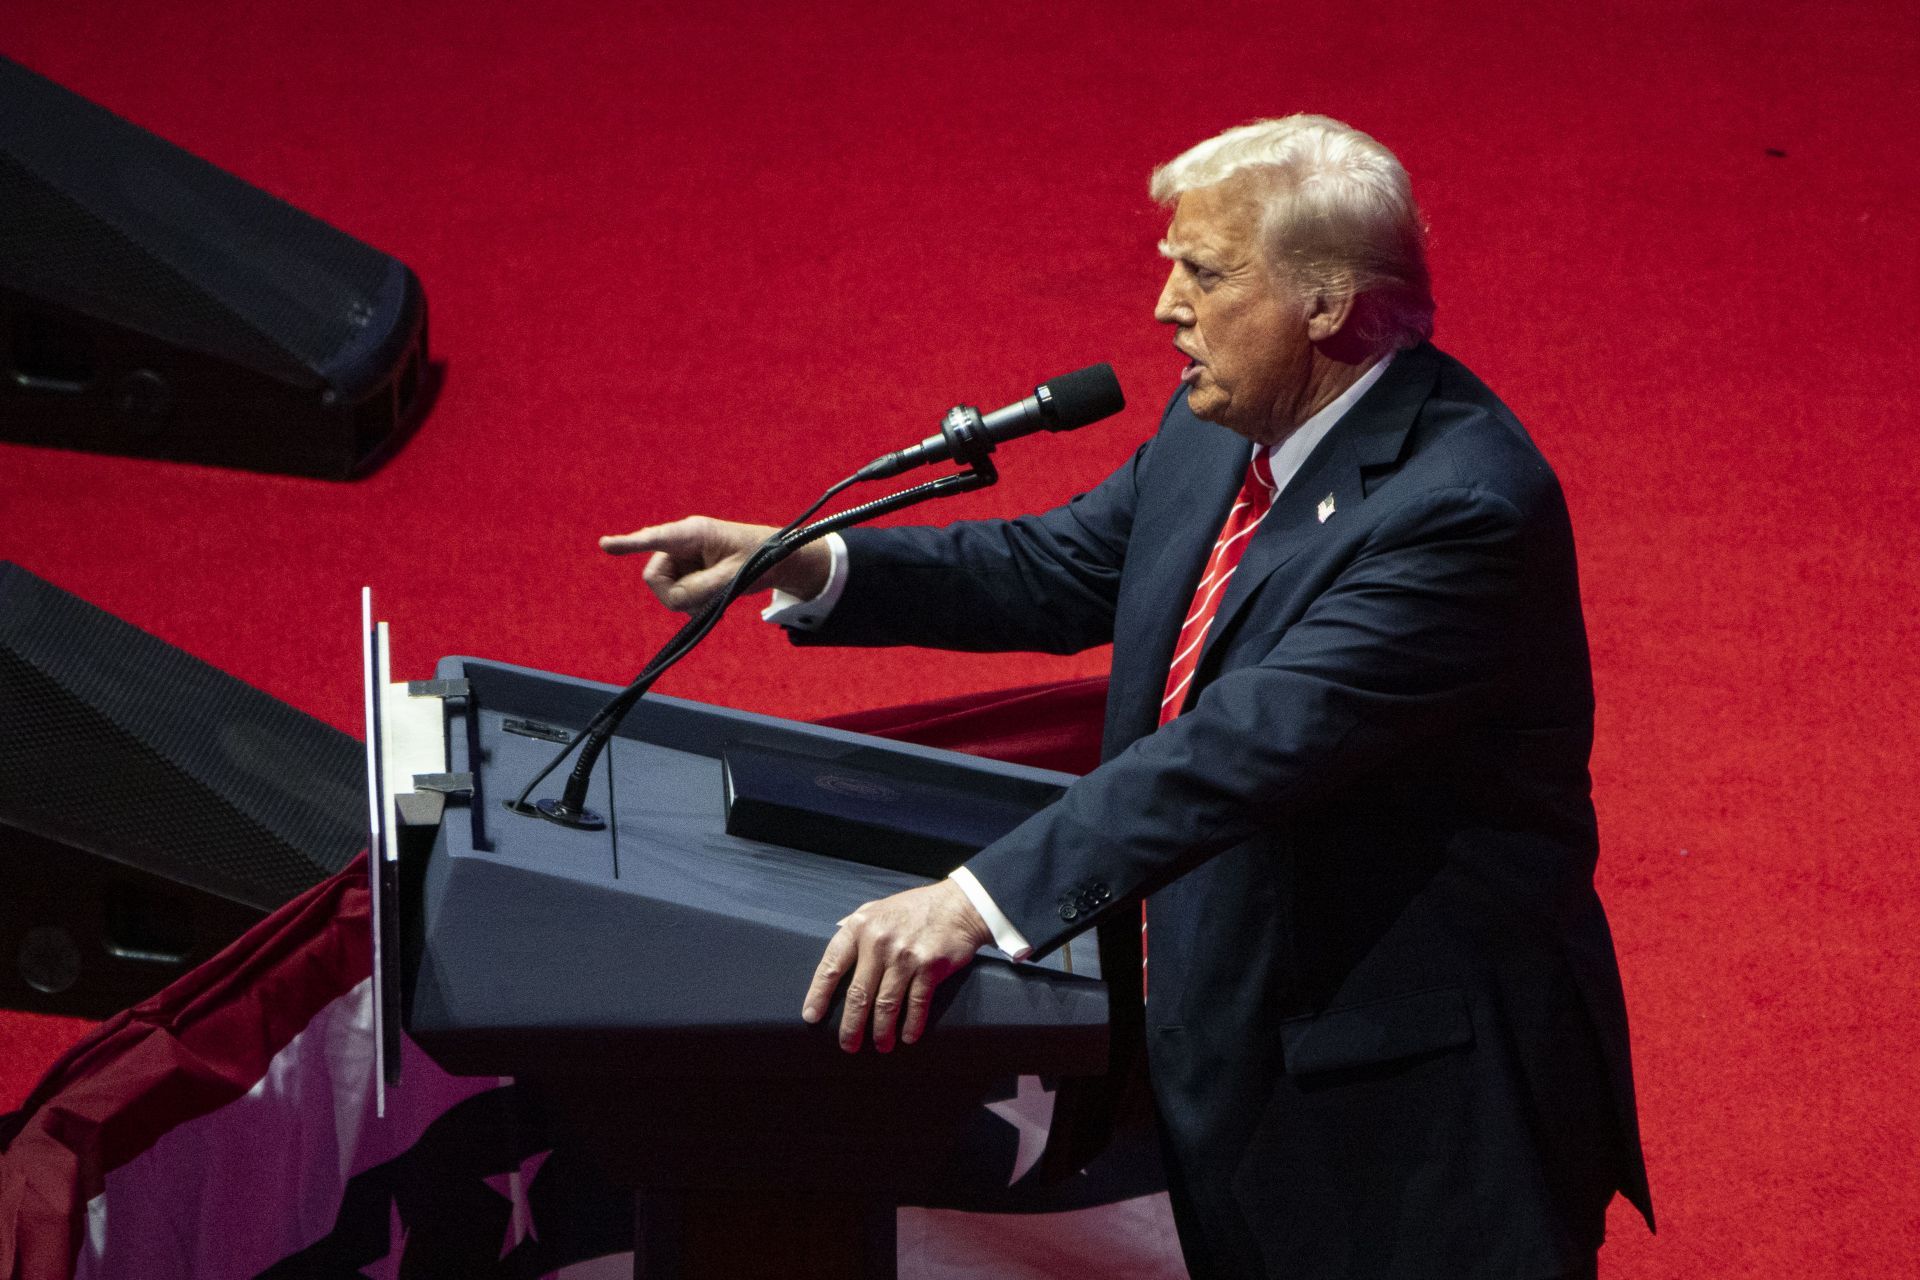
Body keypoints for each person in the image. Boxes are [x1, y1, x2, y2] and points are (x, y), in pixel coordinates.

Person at [601, 115, 1653, 1280]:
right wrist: (808, 560)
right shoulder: (1225, 429)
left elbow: (1236, 750)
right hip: (1246, 1047)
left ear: (1325, 302)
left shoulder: (1460, 514)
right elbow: (1063, 568)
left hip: (1413, 1112)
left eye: (1202, 272)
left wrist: (975, 901)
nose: (1163, 306)